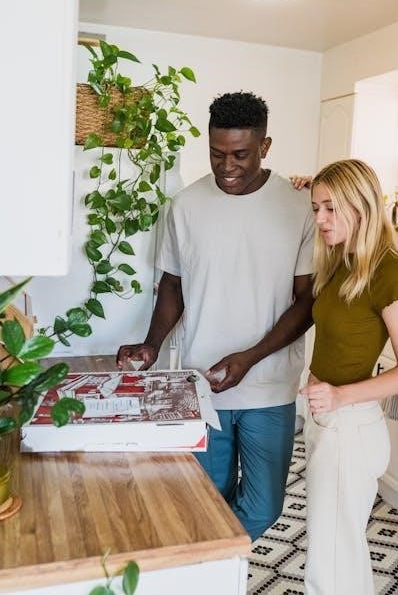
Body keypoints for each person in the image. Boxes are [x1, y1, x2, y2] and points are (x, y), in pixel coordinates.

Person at [117, 91, 315, 541]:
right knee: (207, 501)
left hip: (269, 387)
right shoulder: (185, 206)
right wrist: (151, 344)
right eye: (216, 153)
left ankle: (192, 561)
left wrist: (250, 357)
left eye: (241, 154)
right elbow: (173, 285)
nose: (227, 166)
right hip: (202, 385)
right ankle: (206, 568)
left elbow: (307, 302)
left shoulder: (298, 205)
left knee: (263, 507)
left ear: (265, 146)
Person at [298, 159, 398, 595]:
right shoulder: (345, 260)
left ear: (361, 206)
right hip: (328, 420)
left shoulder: (388, 272)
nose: (320, 219)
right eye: (316, 208)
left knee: (331, 560)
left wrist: (339, 396)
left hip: (348, 428)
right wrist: (309, 186)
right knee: (334, 551)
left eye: (331, 208)